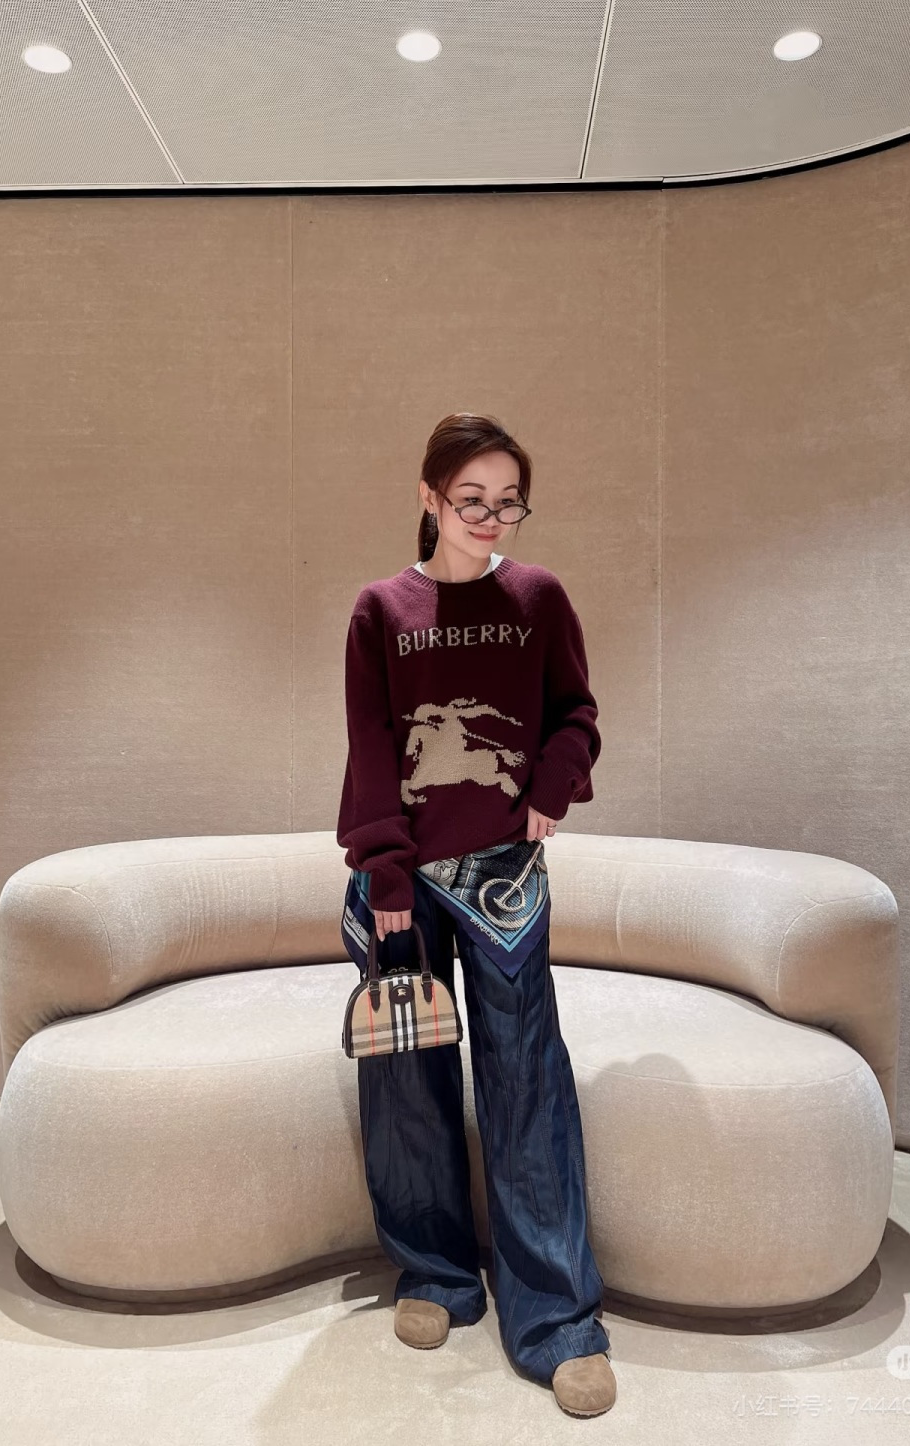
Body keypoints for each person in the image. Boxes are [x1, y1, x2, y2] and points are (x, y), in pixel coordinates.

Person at [336, 412, 616, 1417]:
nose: (491, 518)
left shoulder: (538, 598)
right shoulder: (381, 609)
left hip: (503, 876)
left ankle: (557, 1319)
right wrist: (385, 873)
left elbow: (576, 713)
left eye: (508, 502)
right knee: (406, 1080)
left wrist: (552, 784)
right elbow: (372, 743)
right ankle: (436, 1274)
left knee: (525, 1077)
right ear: (429, 498)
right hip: (401, 878)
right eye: (471, 500)